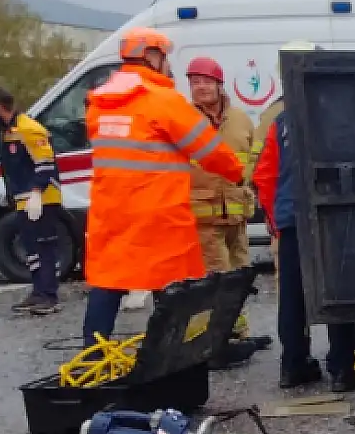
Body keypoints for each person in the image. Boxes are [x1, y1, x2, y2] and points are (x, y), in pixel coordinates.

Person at [80, 28, 244, 343]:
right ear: (152, 57)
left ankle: (91, 355)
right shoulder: (163, 100)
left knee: (108, 280)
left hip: (110, 211)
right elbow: (209, 149)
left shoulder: (99, 101)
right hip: (158, 212)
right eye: (165, 57)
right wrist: (236, 173)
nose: (168, 65)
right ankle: (167, 353)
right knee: (170, 284)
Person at [251, 45, 355, 392]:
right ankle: (343, 368)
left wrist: (277, 218)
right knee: (338, 291)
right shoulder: (341, 115)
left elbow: (264, 177)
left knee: (293, 298)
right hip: (332, 215)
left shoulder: (280, 123)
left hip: (292, 220)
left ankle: (293, 365)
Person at [185, 56, 259, 338]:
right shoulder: (185, 119)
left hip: (237, 213)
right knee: (217, 276)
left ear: (219, 84)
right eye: (194, 82)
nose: (200, 87)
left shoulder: (240, 119)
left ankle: (237, 331)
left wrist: (245, 186)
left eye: (205, 81)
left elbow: (252, 156)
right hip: (203, 215)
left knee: (240, 274)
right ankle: (215, 336)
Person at [0, 86, 63, 314]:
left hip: (42, 198)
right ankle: (39, 292)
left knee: (44, 246)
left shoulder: (29, 129)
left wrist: (37, 192)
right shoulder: (6, 129)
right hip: (24, 199)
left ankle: (49, 296)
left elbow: (45, 164)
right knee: (32, 248)